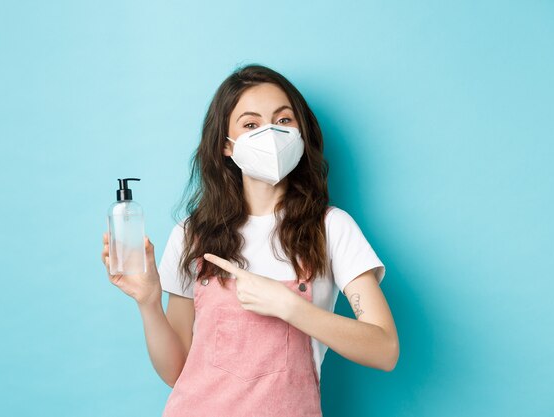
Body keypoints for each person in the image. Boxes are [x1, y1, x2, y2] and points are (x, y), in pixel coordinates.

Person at [101, 64, 399, 417]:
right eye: (251, 124)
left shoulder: (331, 228)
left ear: (301, 134)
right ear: (226, 146)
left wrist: (289, 306)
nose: (270, 133)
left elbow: (384, 349)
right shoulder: (191, 233)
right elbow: (175, 372)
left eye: (284, 120)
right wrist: (149, 303)